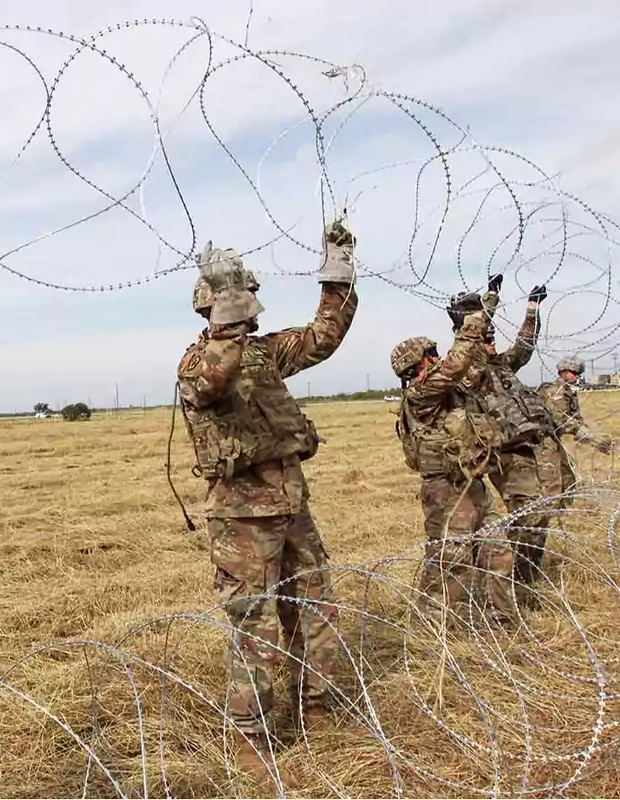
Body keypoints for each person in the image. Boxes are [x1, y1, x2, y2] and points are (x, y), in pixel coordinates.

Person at [176, 221, 357, 775]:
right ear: (214, 305)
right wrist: (228, 317)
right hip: (242, 515)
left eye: (249, 295)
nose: (252, 306)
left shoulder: (265, 353)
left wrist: (338, 270)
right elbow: (209, 383)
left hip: (291, 504)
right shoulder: (198, 361)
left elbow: (324, 336)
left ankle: (319, 707)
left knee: (313, 607)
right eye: (239, 296)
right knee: (253, 621)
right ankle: (251, 734)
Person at [390, 295, 516, 627]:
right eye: (430, 355)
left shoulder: (447, 390)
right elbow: (457, 362)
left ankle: (499, 621)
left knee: (498, 552)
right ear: (416, 366)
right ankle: (433, 626)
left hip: (471, 483)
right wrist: (471, 319)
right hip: (445, 490)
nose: (436, 358)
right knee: (450, 560)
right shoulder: (421, 395)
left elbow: (471, 361)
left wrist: (483, 314)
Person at [456, 275, 555, 601]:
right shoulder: (469, 369)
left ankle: (521, 578)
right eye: (486, 338)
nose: (491, 342)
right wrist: (491, 298)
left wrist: (532, 308)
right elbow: (472, 338)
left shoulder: (503, 364)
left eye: (492, 337)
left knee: (535, 516)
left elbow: (525, 345)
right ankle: (509, 583)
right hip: (501, 454)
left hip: (523, 449)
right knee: (525, 515)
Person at [536, 357, 616, 507]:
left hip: (554, 439)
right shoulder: (554, 391)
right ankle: (547, 513)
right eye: (574, 373)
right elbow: (561, 420)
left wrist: (592, 437)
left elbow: (576, 419)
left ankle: (562, 511)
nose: (577, 376)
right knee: (552, 481)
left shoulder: (568, 392)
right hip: (543, 440)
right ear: (564, 372)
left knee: (567, 478)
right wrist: (589, 437)